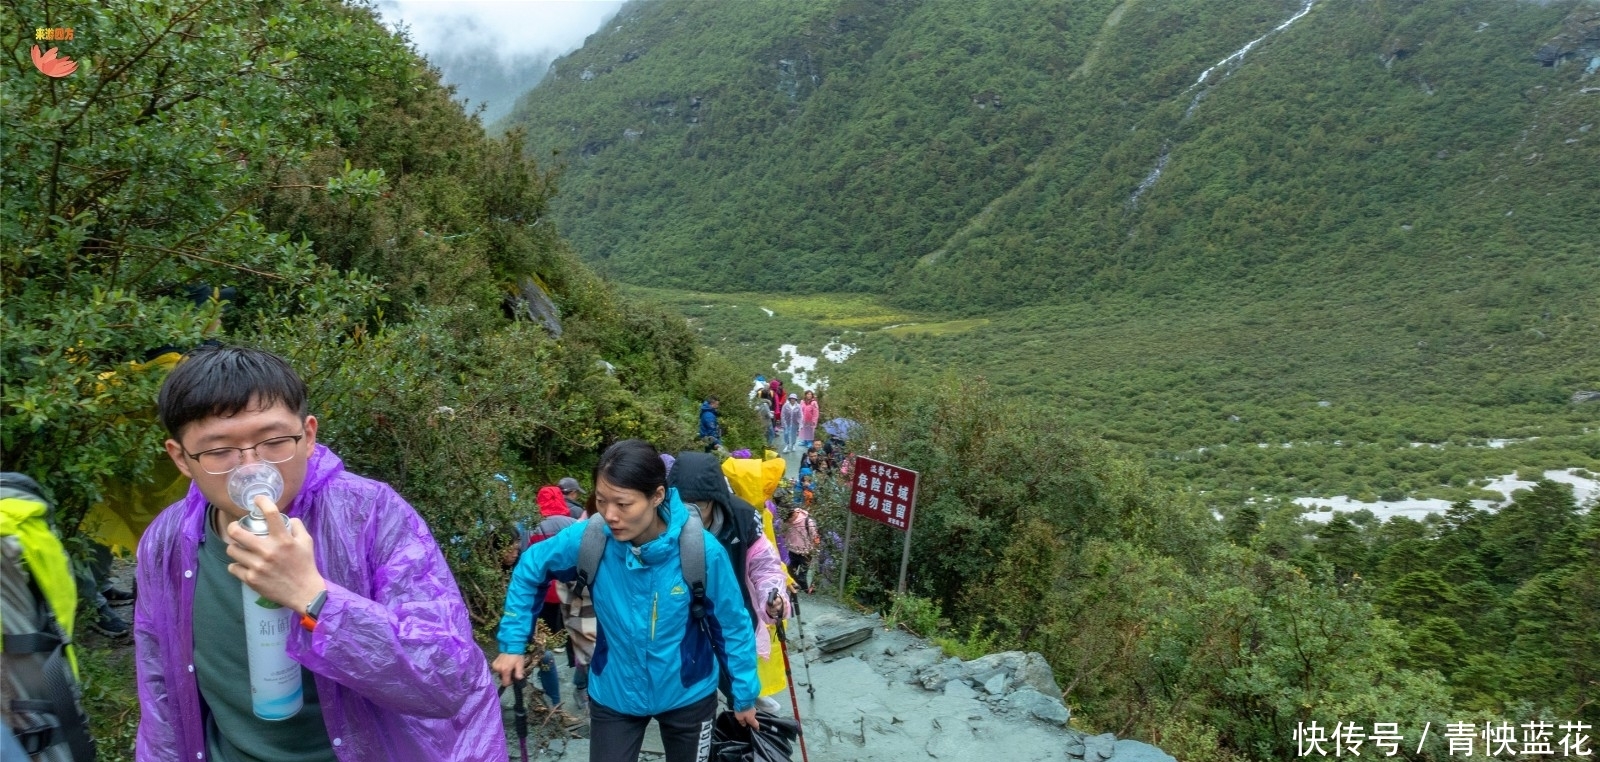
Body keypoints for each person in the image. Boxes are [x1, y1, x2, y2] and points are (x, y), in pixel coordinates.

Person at [134, 345, 504, 761]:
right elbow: (159, 690)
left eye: (275, 442)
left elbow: (447, 681)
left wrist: (315, 599)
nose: (252, 467)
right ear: (181, 458)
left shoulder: (370, 515)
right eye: (219, 451)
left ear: (308, 436)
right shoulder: (167, 541)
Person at [493, 440, 761, 762]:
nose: (609, 515)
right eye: (601, 501)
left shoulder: (700, 551)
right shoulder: (590, 539)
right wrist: (512, 643)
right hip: (614, 691)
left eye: (623, 504)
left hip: (688, 693)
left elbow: (732, 625)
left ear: (657, 496)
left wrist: (744, 695)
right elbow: (531, 567)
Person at [667, 453, 790, 713]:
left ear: (715, 499)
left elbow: (764, 564)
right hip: (680, 613)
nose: (690, 515)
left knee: (734, 672)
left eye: (700, 505)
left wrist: (772, 593)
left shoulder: (742, 517)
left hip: (731, 611)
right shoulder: (661, 520)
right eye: (683, 505)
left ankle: (743, 702)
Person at [782, 503, 820, 594]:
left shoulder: (808, 522)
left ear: (793, 514)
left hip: (806, 554)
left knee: (802, 577)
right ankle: (795, 592)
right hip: (792, 552)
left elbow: (815, 538)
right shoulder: (787, 522)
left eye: (788, 519)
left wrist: (814, 550)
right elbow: (783, 535)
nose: (787, 521)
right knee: (790, 574)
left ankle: (807, 593)